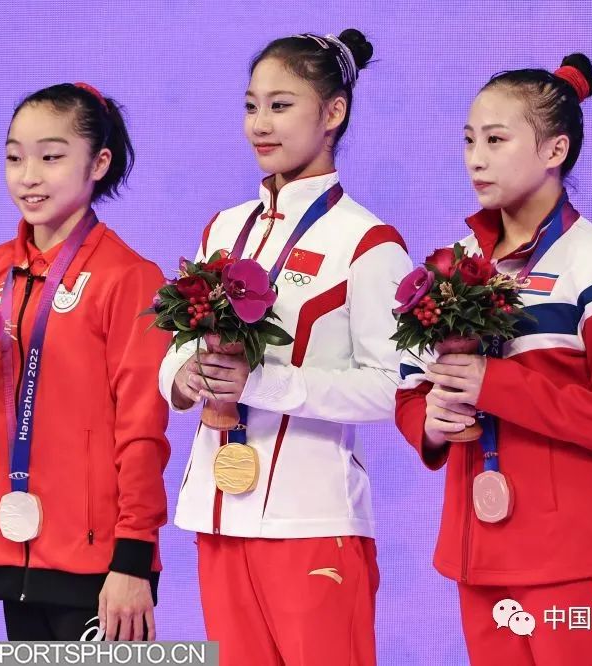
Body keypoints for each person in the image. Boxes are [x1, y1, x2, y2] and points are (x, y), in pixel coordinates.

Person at [157, 30, 411, 666]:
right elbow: (178, 345)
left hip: (311, 519)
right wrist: (182, 378)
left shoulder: (367, 241)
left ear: (333, 112)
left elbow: (396, 385)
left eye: (280, 105)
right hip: (217, 514)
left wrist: (266, 384)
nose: (259, 124)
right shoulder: (224, 227)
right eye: (251, 106)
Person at [395, 54, 592, 666]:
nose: (475, 159)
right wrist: (430, 424)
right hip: (479, 557)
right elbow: (410, 388)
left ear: (554, 150)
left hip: (575, 562)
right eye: (468, 141)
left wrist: (495, 383)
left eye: (495, 140)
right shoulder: (452, 265)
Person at [0, 83, 171, 641]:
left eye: (51, 157)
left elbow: (142, 430)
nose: (28, 176)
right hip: (13, 550)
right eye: (15, 158)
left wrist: (133, 560)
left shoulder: (130, 278)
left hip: (102, 566)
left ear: (98, 163)